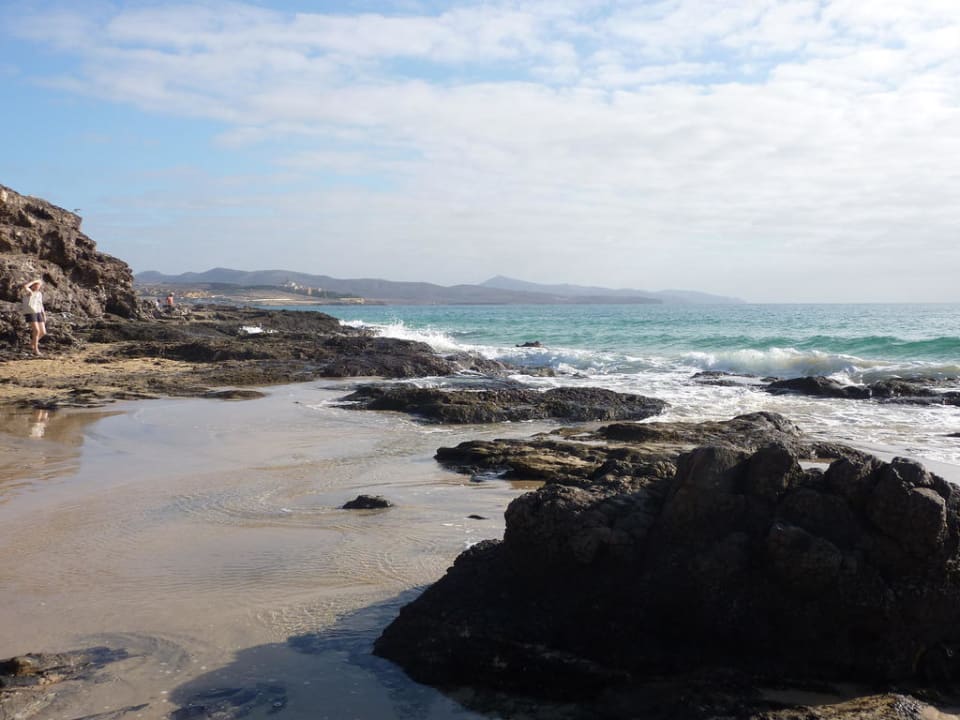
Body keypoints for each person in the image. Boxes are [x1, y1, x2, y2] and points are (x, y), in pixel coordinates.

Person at [21, 279, 47, 355]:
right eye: (36, 285)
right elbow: (25, 286)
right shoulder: (30, 292)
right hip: (30, 312)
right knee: (36, 331)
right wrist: (33, 281)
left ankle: (31, 344)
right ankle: (35, 349)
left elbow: (41, 304)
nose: (37, 286)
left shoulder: (39, 294)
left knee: (43, 332)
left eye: (39, 285)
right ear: (33, 285)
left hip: (38, 312)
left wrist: (44, 314)